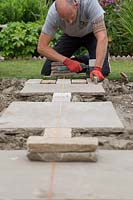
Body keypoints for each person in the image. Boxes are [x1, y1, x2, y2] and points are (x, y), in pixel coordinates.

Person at [38, 0, 111, 81]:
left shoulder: (90, 3)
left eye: (71, 16)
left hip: (92, 34)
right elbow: (41, 47)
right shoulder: (53, 14)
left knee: (103, 71)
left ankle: (89, 59)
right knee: (47, 71)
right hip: (70, 36)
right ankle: (86, 61)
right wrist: (67, 61)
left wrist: (97, 68)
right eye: (65, 19)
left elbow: (102, 36)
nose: (70, 22)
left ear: (76, 4)